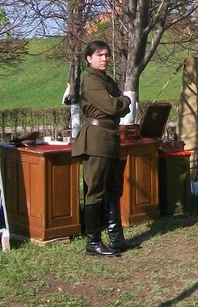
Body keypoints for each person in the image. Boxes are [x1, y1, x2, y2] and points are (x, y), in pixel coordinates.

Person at [71, 40, 137, 257]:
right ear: (89, 59)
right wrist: (124, 99)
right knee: (96, 190)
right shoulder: (91, 81)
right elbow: (112, 106)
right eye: (99, 55)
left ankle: (116, 238)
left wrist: (120, 102)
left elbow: (118, 110)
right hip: (96, 139)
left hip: (110, 137)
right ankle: (93, 241)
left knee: (113, 188)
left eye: (107, 55)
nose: (105, 58)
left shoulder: (107, 80)